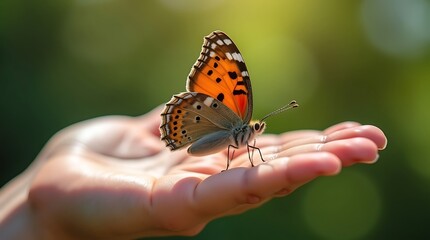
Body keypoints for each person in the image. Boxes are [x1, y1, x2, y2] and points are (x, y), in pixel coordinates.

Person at [0, 106, 387, 239]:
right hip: (197, 128)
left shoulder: (245, 138)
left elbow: (246, 148)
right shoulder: (239, 123)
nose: (256, 133)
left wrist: (37, 220)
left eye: (254, 131)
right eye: (255, 129)